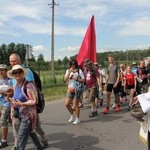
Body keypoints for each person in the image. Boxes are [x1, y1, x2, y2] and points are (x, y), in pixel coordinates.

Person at [9, 53, 47, 150]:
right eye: (15, 73)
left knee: (22, 137)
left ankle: (42, 138)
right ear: (13, 74)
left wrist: (21, 104)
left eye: (19, 72)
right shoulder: (15, 84)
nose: (17, 74)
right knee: (30, 132)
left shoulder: (28, 85)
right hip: (19, 113)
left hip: (28, 115)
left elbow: (34, 99)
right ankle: (39, 146)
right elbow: (15, 96)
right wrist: (8, 97)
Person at [64, 59, 85, 125]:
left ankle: (77, 119)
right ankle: (72, 115)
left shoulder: (79, 71)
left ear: (76, 64)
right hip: (70, 89)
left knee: (75, 104)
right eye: (71, 64)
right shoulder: (68, 70)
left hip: (77, 89)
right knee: (67, 104)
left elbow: (83, 79)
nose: (73, 66)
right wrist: (70, 72)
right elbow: (65, 79)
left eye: (74, 64)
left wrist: (77, 79)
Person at [0, 64, 13, 148]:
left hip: (7, 103)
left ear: (6, 71)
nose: (0, 72)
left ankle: (4, 141)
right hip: (1, 103)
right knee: (9, 121)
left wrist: (2, 92)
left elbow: (12, 93)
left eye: (2, 70)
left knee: (3, 121)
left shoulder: (11, 80)